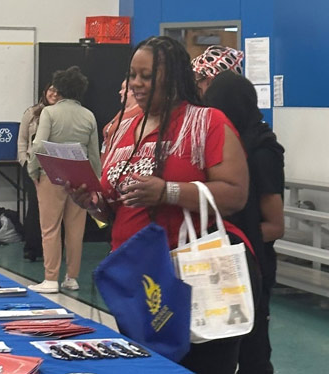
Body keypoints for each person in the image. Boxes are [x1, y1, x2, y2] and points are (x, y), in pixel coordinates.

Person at [67, 36, 260, 373]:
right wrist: (92, 202)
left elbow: (235, 195)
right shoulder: (123, 127)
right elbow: (115, 206)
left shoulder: (208, 122)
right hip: (138, 277)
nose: (136, 85)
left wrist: (168, 192)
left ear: (173, 78)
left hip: (195, 275)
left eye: (147, 76)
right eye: (133, 75)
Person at [203, 71, 285, 374]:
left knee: (253, 352)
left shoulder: (261, 153)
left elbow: (276, 225)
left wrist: (231, 241)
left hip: (253, 266)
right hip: (224, 261)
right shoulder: (228, 147)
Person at [26, 66, 100, 293]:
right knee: (76, 230)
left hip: (52, 176)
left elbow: (38, 145)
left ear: (59, 88)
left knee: (50, 228)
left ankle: (50, 279)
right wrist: (96, 183)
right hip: (80, 178)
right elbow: (94, 154)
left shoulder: (49, 112)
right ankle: (72, 277)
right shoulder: (89, 115)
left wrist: (33, 169)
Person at [17, 84, 59, 261]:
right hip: (33, 167)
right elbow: (22, 140)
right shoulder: (32, 113)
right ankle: (32, 247)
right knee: (35, 207)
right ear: (44, 92)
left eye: (58, 91)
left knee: (54, 210)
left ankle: (52, 249)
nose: (54, 94)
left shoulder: (62, 115)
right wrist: (25, 162)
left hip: (53, 169)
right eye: (51, 90)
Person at [101, 78, 141, 164]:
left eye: (123, 89)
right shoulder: (122, 112)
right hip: (106, 163)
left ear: (133, 91)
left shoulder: (139, 113)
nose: (120, 92)